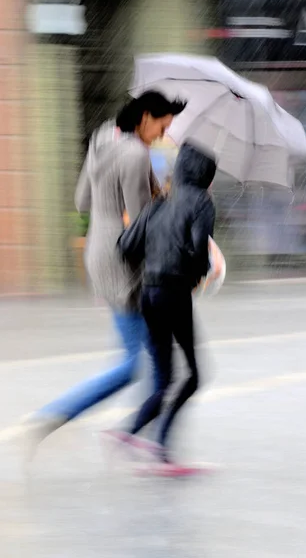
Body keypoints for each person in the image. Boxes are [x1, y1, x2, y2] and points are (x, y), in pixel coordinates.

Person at [21, 92, 186, 460]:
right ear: (145, 117)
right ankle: (144, 440)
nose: (162, 134)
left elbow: (82, 200)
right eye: (161, 126)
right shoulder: (136, 154)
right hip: (124, 261)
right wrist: (165, 180)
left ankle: (136, 435)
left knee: (142, 354)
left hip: (98, 250)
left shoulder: (102, 139)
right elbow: (143, 220)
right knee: (142, 362)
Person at [112, 142, 216, 468]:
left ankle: (131, 433)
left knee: (167, 377)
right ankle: (155, 444)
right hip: (174, 293)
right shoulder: (202, 202)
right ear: (205, 175)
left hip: (148, 296)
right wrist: (198, 272)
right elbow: (200, 255)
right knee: (195, 376)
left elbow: (126, 247)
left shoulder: (158, 205)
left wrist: (158, 246)